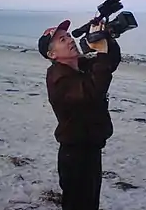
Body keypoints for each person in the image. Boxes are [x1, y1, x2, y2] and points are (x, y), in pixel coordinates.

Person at [38, 19, 121, 210]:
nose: (69, 40)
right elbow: (93, 92)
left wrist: (106, 39)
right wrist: (100, 52)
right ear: (52, 54)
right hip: (75, 154)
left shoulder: (78, 65)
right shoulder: (59, 79)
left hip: (90, 148)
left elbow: (109, 62)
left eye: (67, 36)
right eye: (61, 40)